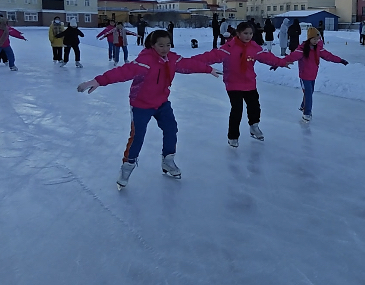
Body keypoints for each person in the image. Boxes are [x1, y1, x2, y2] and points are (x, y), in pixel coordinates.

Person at [76, 29, 220, 189]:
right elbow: (122, 72)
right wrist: (99, 81)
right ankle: (127, 168)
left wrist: (208, 69)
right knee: (137, 137)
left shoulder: (172, 59)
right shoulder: (145, 61)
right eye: (161, 45)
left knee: (171, 129)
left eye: (168, 45)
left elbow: (188, 64)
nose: (165, 49)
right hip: (141, 104)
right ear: (152, 45)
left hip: (161, 102)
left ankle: (168, 160)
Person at [191, 22, 289, 148]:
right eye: (245, 33)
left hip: (249, 82)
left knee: (254, 106)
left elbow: (267, 57)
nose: (248, 36)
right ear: (238, 33)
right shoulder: (229, 48)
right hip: (233, 83)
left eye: (250, 33)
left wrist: (281, 62)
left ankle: (254, 126)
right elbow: (211, 56)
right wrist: (190, 61)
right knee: (237, 109)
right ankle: (233, 136)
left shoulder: (254, 47)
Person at [282, 27, 348, 122]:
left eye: (317, 39)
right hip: (304, 76)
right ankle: (306, 113)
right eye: (314, 39)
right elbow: (291, 57)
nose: (316, 41)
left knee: (310, 92)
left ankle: (303, 105)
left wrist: (340, 60)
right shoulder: (302, 50)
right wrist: (278, 63)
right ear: (309, 38)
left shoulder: (318, 49)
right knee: (308, 93)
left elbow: (329, 56)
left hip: (313, 75)